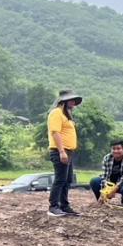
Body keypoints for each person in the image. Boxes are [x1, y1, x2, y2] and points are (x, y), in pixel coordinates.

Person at [46, 90, 82, 218]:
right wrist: (61, 151)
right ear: (64, 101)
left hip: (69, 151)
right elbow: (55, 132)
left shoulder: (66, 115)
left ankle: (64, 205)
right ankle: (53, 206)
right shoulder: (56, 113)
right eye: (71, 100)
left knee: (67, 180)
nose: (73, 102)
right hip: (60, 150)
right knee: (60, 179)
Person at [91, 139, 123, 207]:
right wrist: (103, 193)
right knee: (94, 181)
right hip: (110, 181)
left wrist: (113, 190)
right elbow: (106, 177)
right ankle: (102, 200)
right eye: (113, 149)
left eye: (118, 149)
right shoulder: (107, 158)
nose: (115, 151)